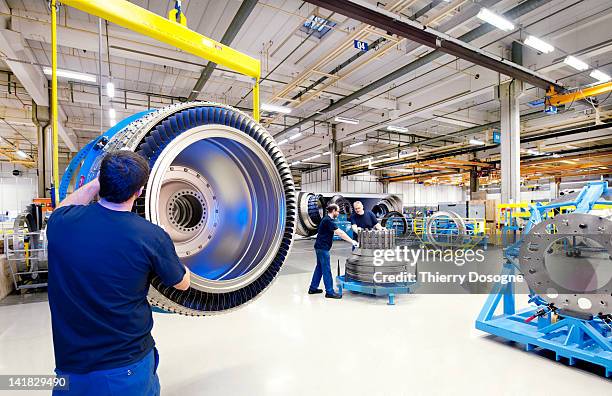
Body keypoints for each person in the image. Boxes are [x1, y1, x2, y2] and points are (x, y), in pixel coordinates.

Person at [47, 150, 190, 396]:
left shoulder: (61, 224)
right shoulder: (151, 236)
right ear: (139, 192)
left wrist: (97, 183)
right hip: (125, 369)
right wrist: (176, 254)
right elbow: (182, 283)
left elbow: (63, 207)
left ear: (101, 182)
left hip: (70, 367)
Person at [308, 203, 358, 299]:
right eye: (338, 211)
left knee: (319, 268)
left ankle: (313, 288)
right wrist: (352, 241)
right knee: (326, 269)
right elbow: (340, 233)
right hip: (322, 248)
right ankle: (329, 292)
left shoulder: (327, 219)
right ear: (334, 211)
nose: (339, 213)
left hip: (319, 247)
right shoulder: (328, 220)